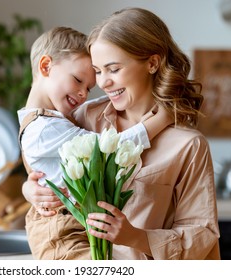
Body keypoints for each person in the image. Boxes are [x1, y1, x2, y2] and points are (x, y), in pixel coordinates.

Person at [22, 7, 220, 260]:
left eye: (113, 69)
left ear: (152, 63)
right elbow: (43, 159)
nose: (102, 83)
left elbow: (202, 233)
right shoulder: (83, 118)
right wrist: (30, 190)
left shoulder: (188, 146)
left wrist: (136, 237)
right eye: (98, 71)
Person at [18, 26, 173, 260]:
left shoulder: (55, 118)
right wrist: (161, 119)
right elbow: (108, 149)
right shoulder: (43, 129)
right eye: (78, 80)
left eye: (88, 88)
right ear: (45, 66)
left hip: (75, 229)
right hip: (60, 235)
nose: (82, 94)